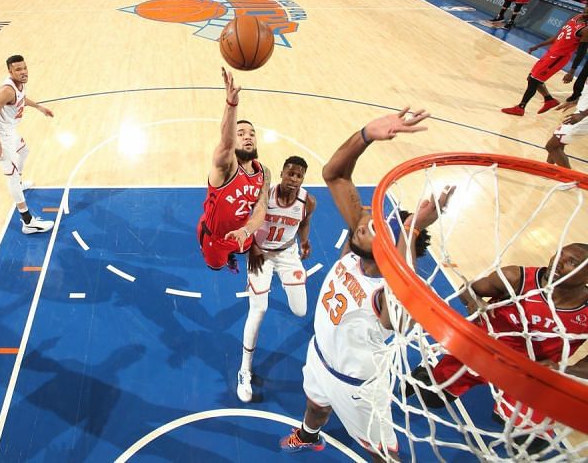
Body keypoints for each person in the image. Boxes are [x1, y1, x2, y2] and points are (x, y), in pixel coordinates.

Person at [280, 109, 452, 461]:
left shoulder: (391, 294)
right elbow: (335, 174)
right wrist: (366, 135)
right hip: (320, 357)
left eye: (384, 228)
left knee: (383, 455)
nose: (367, 222)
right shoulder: (359, 247)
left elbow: (402, 297)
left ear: (394, 248)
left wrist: (413, 227)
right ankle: (309, 434)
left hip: (358, 389)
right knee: (314, 406)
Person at [410, 244, 588, 433]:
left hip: (529, 374)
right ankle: (429, 372)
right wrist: (474, 302)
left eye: (571, 262)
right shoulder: (516, 278)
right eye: (559, 254)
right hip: (480, 352)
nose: (558, 263)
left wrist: (566, 369)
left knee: (526, 438)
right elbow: (467, 289)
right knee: (430, 398)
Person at [236, 156, 316, 403]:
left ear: (303, 179)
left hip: (287, 253)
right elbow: (245, 223)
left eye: (298, 175)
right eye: (290, 173)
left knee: (301, 311)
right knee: (258, 310)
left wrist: (304, 241)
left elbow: (304, 223)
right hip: (261, 254)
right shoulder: (265, 197)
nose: (293, 179)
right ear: (281, 173)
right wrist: (252, 247)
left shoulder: (308, 201)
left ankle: (281, 280)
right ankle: (244, 371)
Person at [197, 68, 270, 274]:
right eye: (241, 133)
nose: (248, 137)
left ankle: (236, 248)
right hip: (215, 239)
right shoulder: (225, 166)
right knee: (215, 267)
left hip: (242, 232)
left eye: (251, 133)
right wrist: (231, 103)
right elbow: (226, 143)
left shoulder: (264, 172)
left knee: (244, 246)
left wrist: (246, 231)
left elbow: (260, 209)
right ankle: (225, 258)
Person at [0, 55, 55, 235]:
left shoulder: (19, 85)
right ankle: (28, 222)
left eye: (24, 68)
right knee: (12, 176)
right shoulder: (6, 91)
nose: (23, 72)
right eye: (18, 69)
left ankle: (19, 183)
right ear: (10, 71)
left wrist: (39, 107)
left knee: (24, 151)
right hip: (0, 136)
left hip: (10, 131)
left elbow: (22, 98)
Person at [502, 6, 588, 116]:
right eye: (587, 6)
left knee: (534, 80)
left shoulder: (585, 30)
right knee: (532, 77)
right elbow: (559, 36)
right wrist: (539, 45)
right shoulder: (577, 16)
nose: (586, 8)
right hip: (551, 53)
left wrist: (571, 72)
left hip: (558, 58)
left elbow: (581, 53)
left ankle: (521, 107)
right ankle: (549, 100)